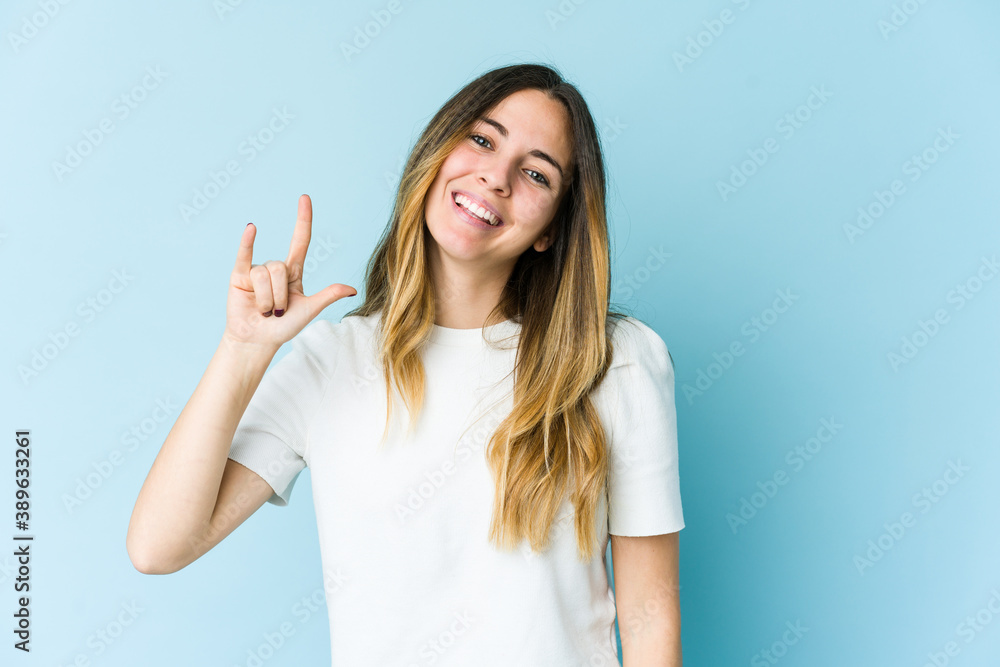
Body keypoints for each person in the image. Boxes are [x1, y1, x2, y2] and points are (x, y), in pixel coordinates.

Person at [126, 62, 683, 665]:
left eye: (535, 174)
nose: (496, 176)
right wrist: (244, 350)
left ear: (551, 229)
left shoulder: (613, 363)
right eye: (481, 139)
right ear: (437, 154)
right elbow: (159, 547)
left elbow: (650, 620)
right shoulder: (333, 362)